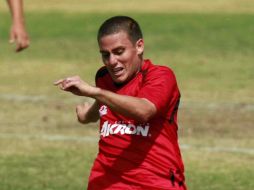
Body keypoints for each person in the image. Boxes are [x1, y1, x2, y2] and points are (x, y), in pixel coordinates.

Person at [54, 16, 187, 190]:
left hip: (156, 181)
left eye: (119, 52)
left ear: (139, 46)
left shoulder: (160, 76)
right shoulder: (104, 77)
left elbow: (143, 110)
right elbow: (105, 105)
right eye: (105, 54)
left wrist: (94, 91)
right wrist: (86, 115)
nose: (112, 61)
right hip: (107, 180)